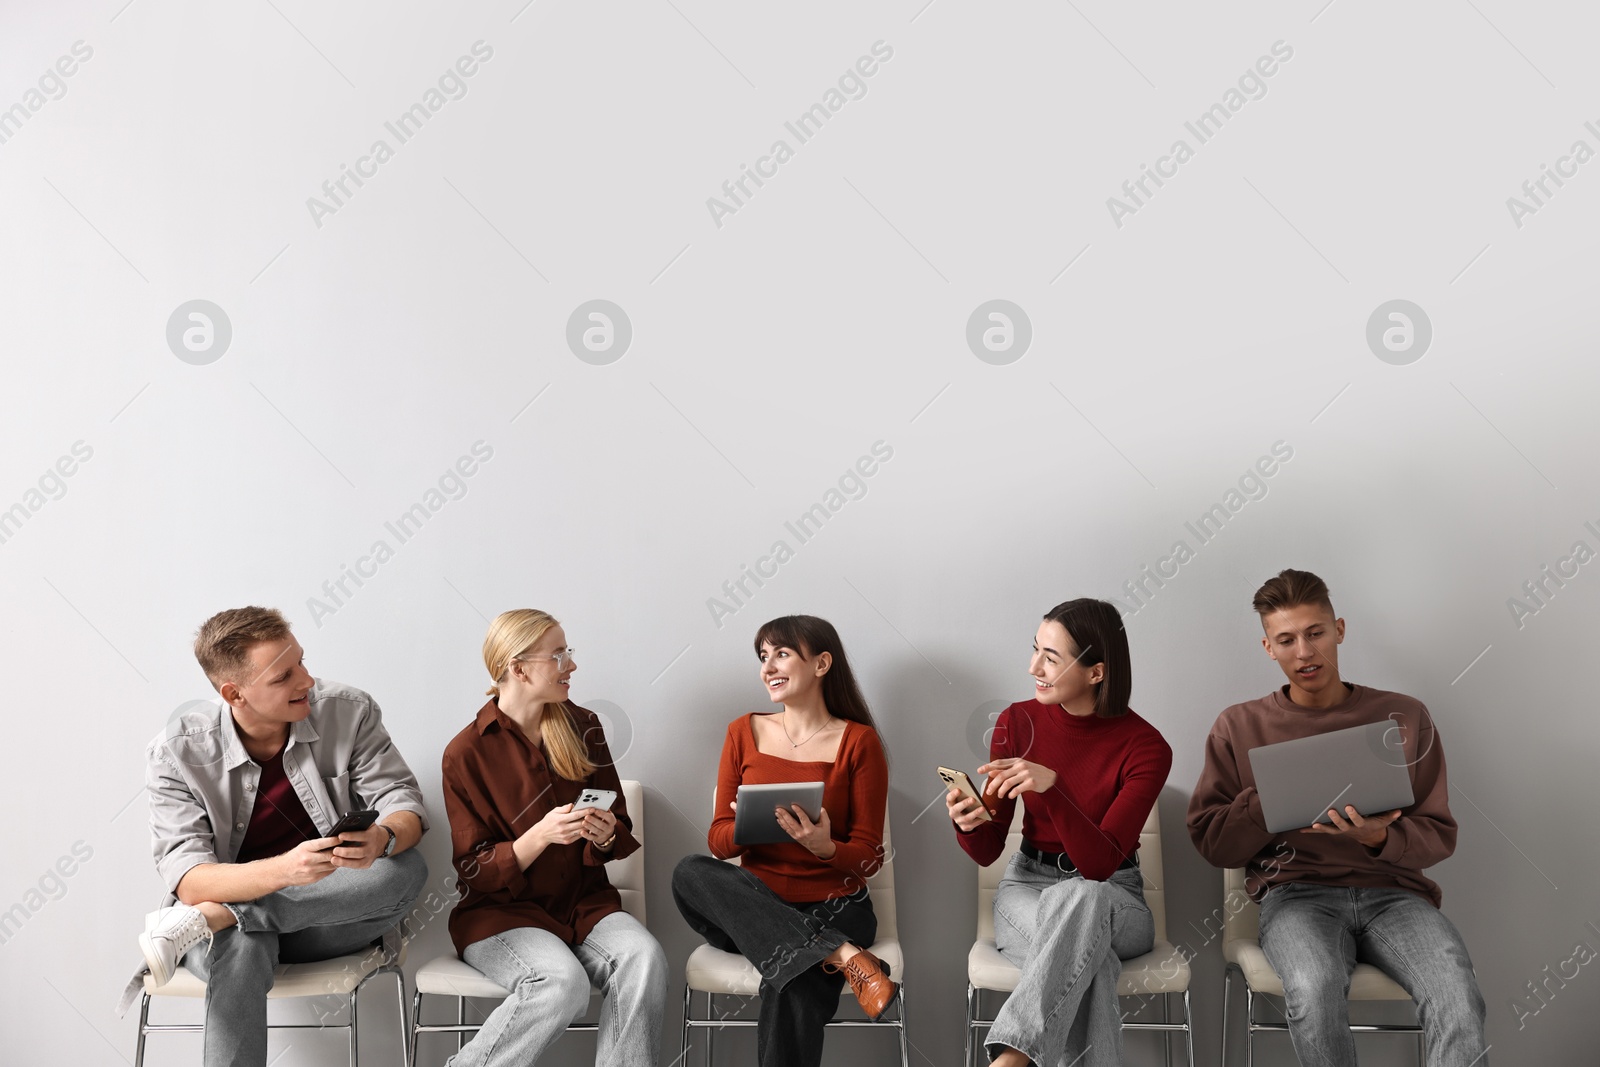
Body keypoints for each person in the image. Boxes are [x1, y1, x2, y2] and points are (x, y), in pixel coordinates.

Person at [1187, 568, 1488, 1066]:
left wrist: (1379, 837)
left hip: (1395, 894)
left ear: (1339, 630)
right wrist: (1271, 798)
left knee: (1457, 990)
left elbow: (1438, 833)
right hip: (1296, 896)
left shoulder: (1403, 716)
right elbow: (1214, 845)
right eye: (1286, 640)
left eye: (1315, 633)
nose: (1304, 652)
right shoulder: (1238, 726)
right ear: (1269, 648)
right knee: (1313, 986)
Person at [122, 607, 429, 1067]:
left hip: (327, 921)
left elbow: (403, 802)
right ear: (234, 693)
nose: (306, 680)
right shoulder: (176, 753)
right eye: (284, 675)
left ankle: (220, 917)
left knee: (406, 867)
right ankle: (231, 920)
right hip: (224, 945)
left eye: (302, 662)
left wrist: (383, 837)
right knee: (246, 940)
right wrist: (287, 870)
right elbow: (190, 879)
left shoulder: (350, 711)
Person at [947, 598, 1172, 1067]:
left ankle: (1011, 1056)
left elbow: (1098, 866)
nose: (1034, 667)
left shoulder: (1146, 747)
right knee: (1094, 966)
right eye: (1035, 650)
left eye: (1051, 657)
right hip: (1027, 889)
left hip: (1117, 899)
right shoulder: (1016, 721)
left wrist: (1053, 787)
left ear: (1096, 672)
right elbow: (988, 849)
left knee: (1086, 897)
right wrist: (968, 821)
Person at [440, 609, 667, 1066]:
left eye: (569, 652)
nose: (572, 665)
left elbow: (617, 822)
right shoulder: (465, 754)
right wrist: (537, 837)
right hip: (502, 915)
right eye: (558, 655)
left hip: (585, 904)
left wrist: (604, 835)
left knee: (645, 958)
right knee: (561, 983)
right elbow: (472, 870)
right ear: (518, 668)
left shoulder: (584, 727)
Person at [671, 615, 894, 1067]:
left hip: (836, 906)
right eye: (763, 656)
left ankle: (827, 948)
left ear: (821, 663)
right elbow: (718, 843)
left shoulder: (859, 742)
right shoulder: (742, 732)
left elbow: (869, 859)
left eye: (782, 654)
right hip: (756, 908)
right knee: (688, 871)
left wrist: (823, 846)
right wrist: (746, 827)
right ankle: (841, 953)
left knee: (794, 975)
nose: (767, 666)